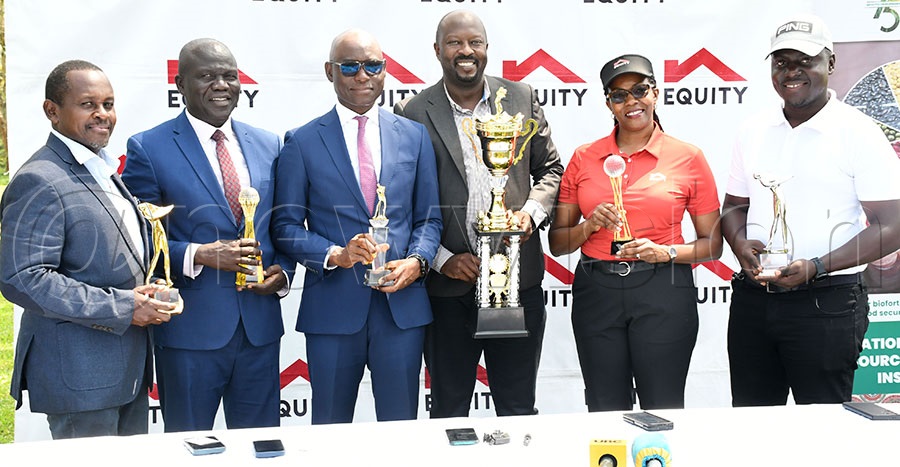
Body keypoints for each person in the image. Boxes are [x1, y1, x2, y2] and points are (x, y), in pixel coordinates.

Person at [721, 14, 900, 406]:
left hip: (827, 305)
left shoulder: (859, 131)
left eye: (805, 61)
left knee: (825, 432)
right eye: (782, 62)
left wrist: (817, 266)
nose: (792, 72)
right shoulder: (752, 129)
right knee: (752, 428)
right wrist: (740, 245)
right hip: (754, 300)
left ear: (830, 64)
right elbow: (733, 207)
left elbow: (893, 225)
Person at [395, 10, 563, 418]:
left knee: (518, 405)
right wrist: (442, 260)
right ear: (438, 50)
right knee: (449, 409)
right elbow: (406, 201)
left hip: (517, 285)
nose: (465, 51)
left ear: (487, 48)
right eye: (454, 43)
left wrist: (529, 214)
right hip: (448, 290)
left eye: (475, 42)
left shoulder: (520, 98)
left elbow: (551, 170)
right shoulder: (413, 112)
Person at [0, 60, 178, 439]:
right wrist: (125, 306)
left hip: (124, 374)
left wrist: (146, 292)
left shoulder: (100, 168)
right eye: (87, 104)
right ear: (52, 110)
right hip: (81, 380)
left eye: (109, 104)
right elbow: (23, 278)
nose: (103, 115)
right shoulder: (40, 178)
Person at [271, 29, 441, 424]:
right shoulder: (302, 141)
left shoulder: (414, 136)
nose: (362, 75)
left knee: (400, 429)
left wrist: (416, 261)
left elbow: (430, 218)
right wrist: (335, 254)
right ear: (330, 71)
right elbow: (285, 225)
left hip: (401, 309)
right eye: (350, 66)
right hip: (332, 311)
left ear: (385, 72)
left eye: (373, 66)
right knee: (329, 429)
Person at [122, 38, 292, 432]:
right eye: (207, 76)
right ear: (179, 84)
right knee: (188, 447)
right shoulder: (149, 147)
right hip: (189, 332)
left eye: (229, 76)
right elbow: (137, 238)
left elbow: (281, 226)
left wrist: (282, 273)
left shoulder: (268, 143)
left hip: (259, 330)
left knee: (260, 449)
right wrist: (198, 254)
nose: (221, 85)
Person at [548, 54, 722, 412]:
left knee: (663, 406)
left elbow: (713, 244)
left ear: (656, 93)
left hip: (663, 290)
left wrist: (666, 252)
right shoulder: (584, 157)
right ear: (608, 103)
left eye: (639, 90)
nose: (631, 102)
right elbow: (557, 242)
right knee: (604, 407)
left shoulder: (687, 157)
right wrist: (591, 224)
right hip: (597, 290)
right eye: (619, 95)